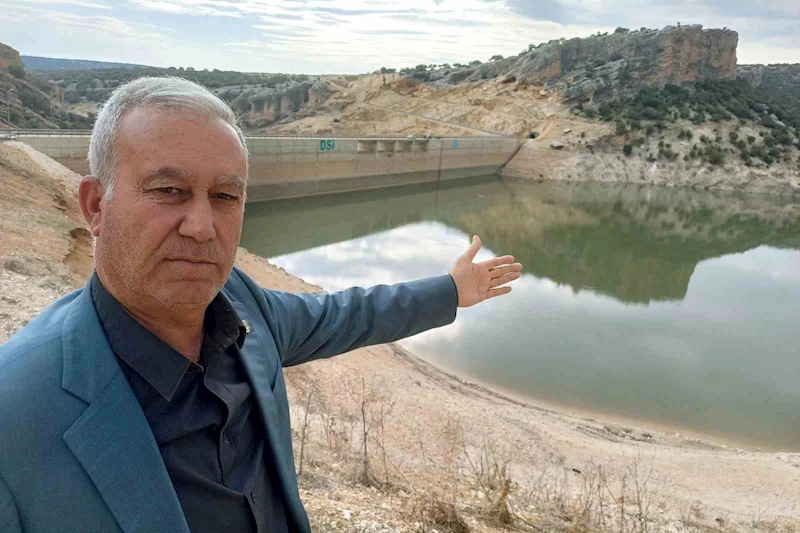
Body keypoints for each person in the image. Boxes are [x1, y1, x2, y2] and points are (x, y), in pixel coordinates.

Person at [0, 77, 522, 533]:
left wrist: (451, 290)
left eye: (225, 197)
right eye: (169, 190)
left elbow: (347, 315)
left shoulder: (245, 307)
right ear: (96, 205)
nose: (201, 226)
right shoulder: (16, 414)